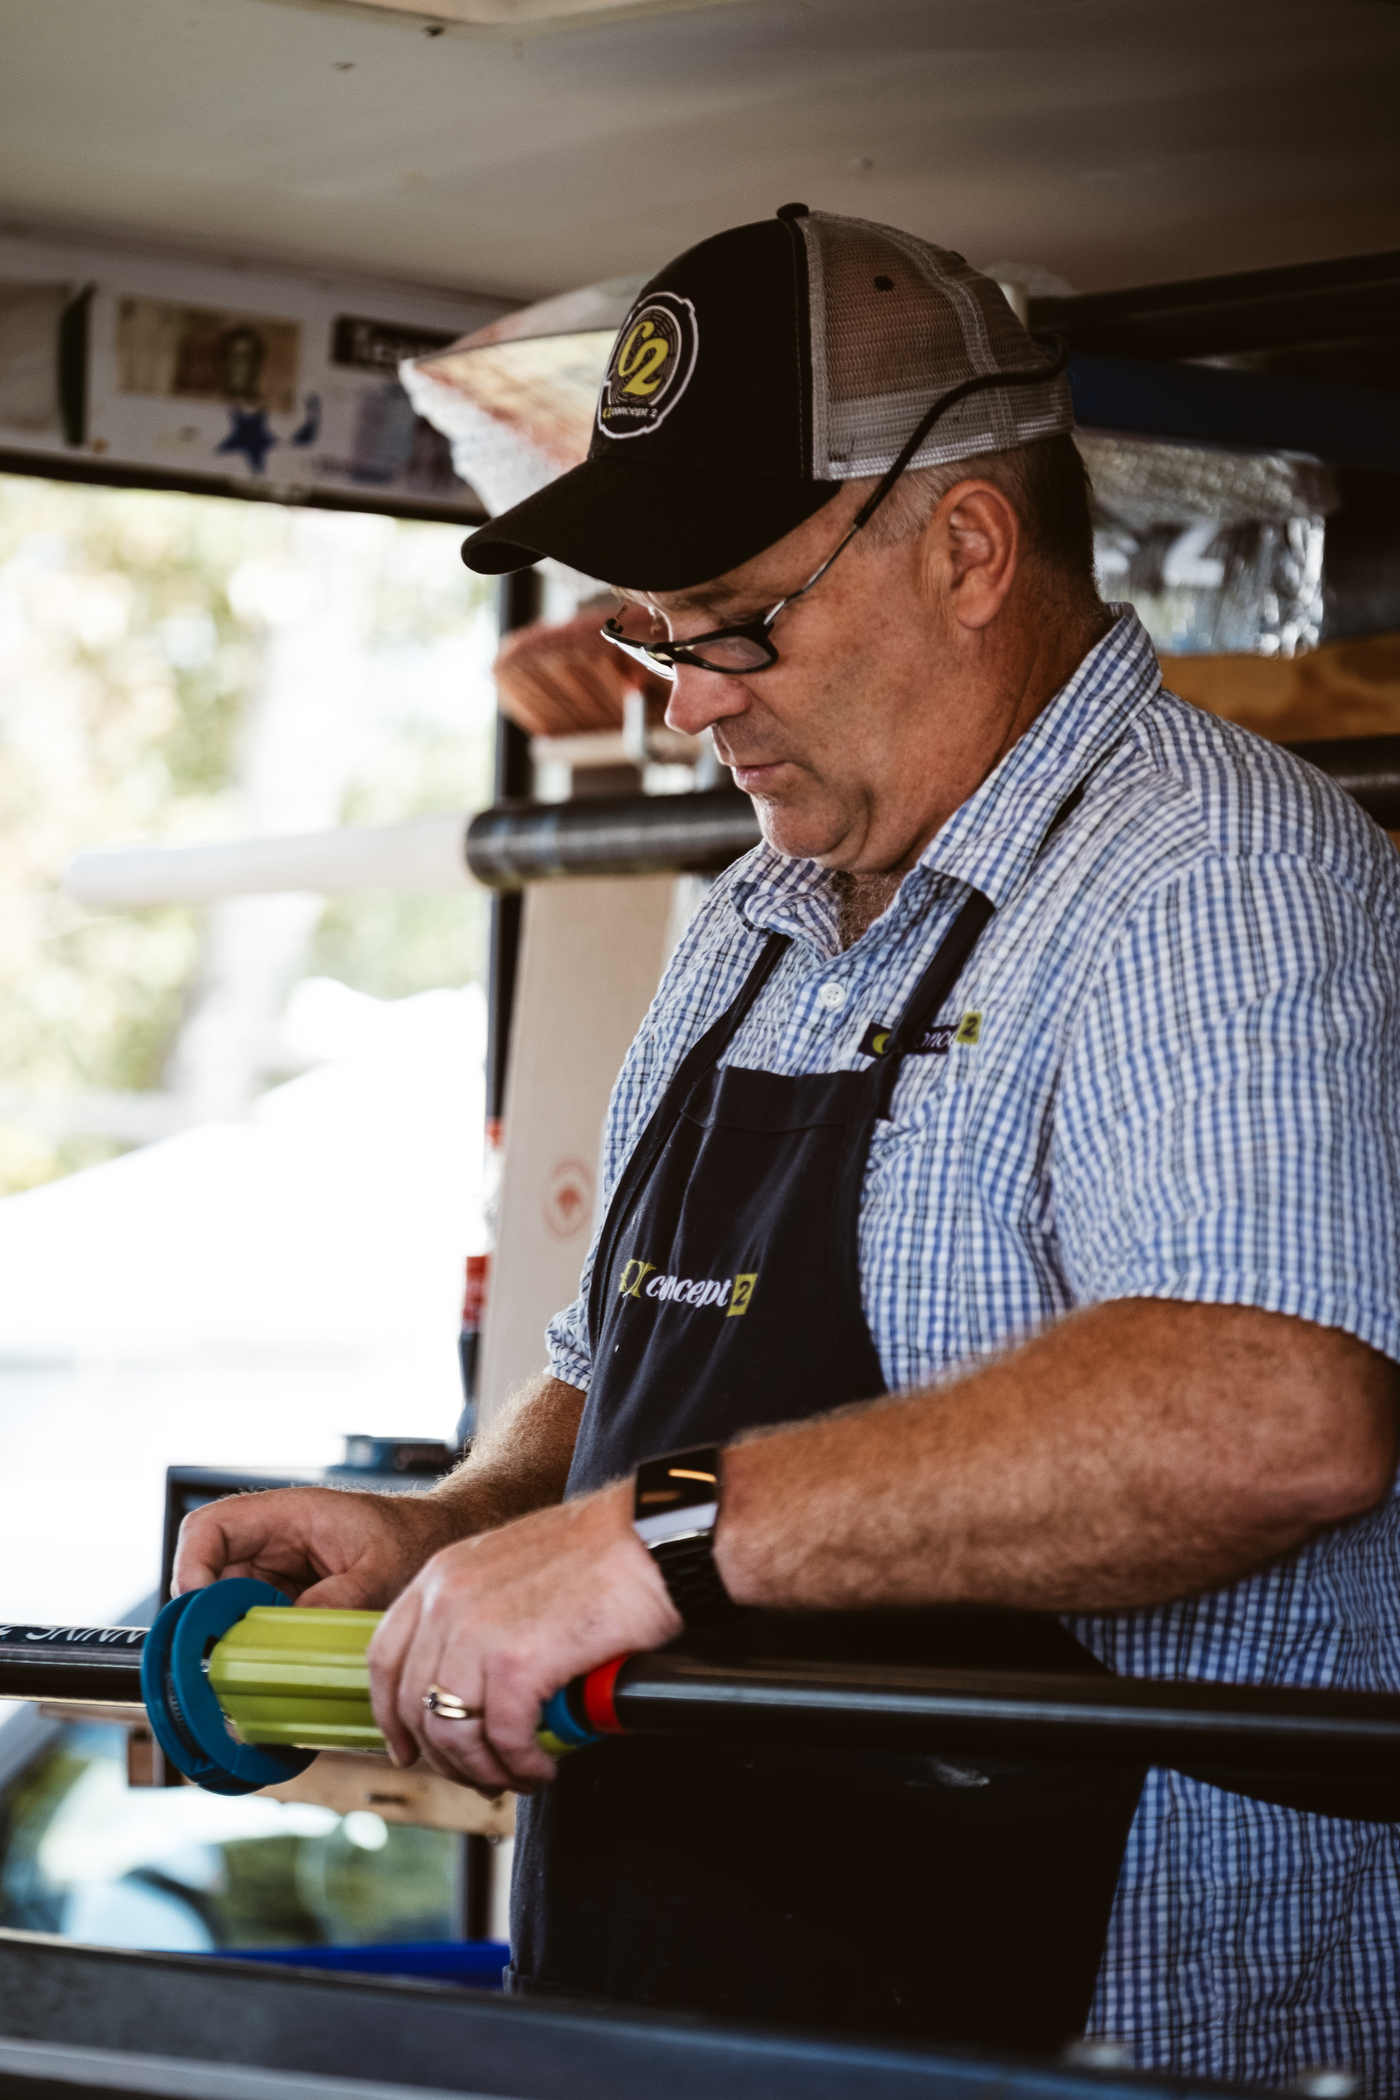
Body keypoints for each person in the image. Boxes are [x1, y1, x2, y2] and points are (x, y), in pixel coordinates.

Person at [176, 208, 1400, 2085]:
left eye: (736, 620)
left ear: (970, 549)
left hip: (1083, 2022)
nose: (687, 700)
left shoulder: (1207, 881)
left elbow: (1270, 1410)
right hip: (685, 1994)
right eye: (653, 634)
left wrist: (655, 1545)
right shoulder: (760, 917)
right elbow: (620, 1382)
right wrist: (461, 1528)